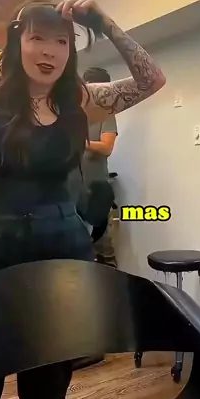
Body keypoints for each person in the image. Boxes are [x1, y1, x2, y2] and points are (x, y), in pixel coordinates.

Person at [0, 0, 166, 399]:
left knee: (46, 398)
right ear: (16, 41)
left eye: (62, 41)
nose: (50, 51)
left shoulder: (79, 100)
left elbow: (151, 79)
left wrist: (104, 21)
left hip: (59, 257)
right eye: (37, 38)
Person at [82, 66, 119, 266]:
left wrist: (79, 141)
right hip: (71, 191)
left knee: (104, 249)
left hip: (96, 191)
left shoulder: (106, 115)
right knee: (78, 251)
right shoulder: (71, 114)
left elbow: (106, 147)